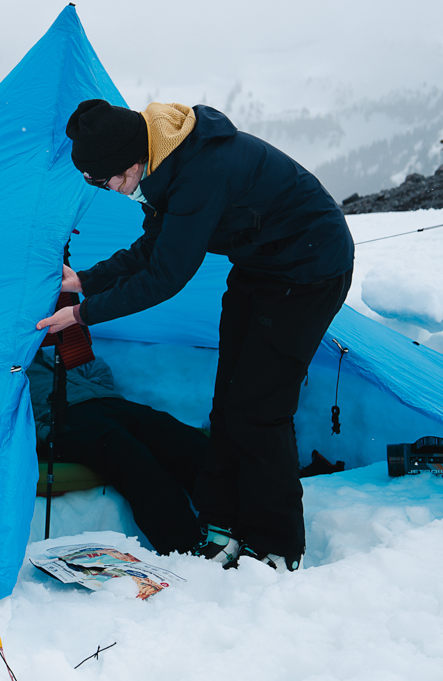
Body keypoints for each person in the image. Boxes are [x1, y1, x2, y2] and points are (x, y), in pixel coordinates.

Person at [36, 100, 354, 572]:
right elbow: (153, 247)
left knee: (259, 410)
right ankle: (223, 524)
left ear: (130, 162)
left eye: (109, 182)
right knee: (228, 402)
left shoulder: (201, 172)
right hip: (261, 268)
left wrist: (83, 315)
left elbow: (166, 275)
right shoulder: (164, 166)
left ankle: (277, 543)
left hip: (309, 272)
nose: (114, 192)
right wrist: (85, 280)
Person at [27, 347, 209, 555]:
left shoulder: (40, 354)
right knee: (130, 456)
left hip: (109, 402)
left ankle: (233, 528)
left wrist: (97, 388)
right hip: (60, 418)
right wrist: (45, 432)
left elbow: (95, 366)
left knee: (180, 437)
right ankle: (187, 549)